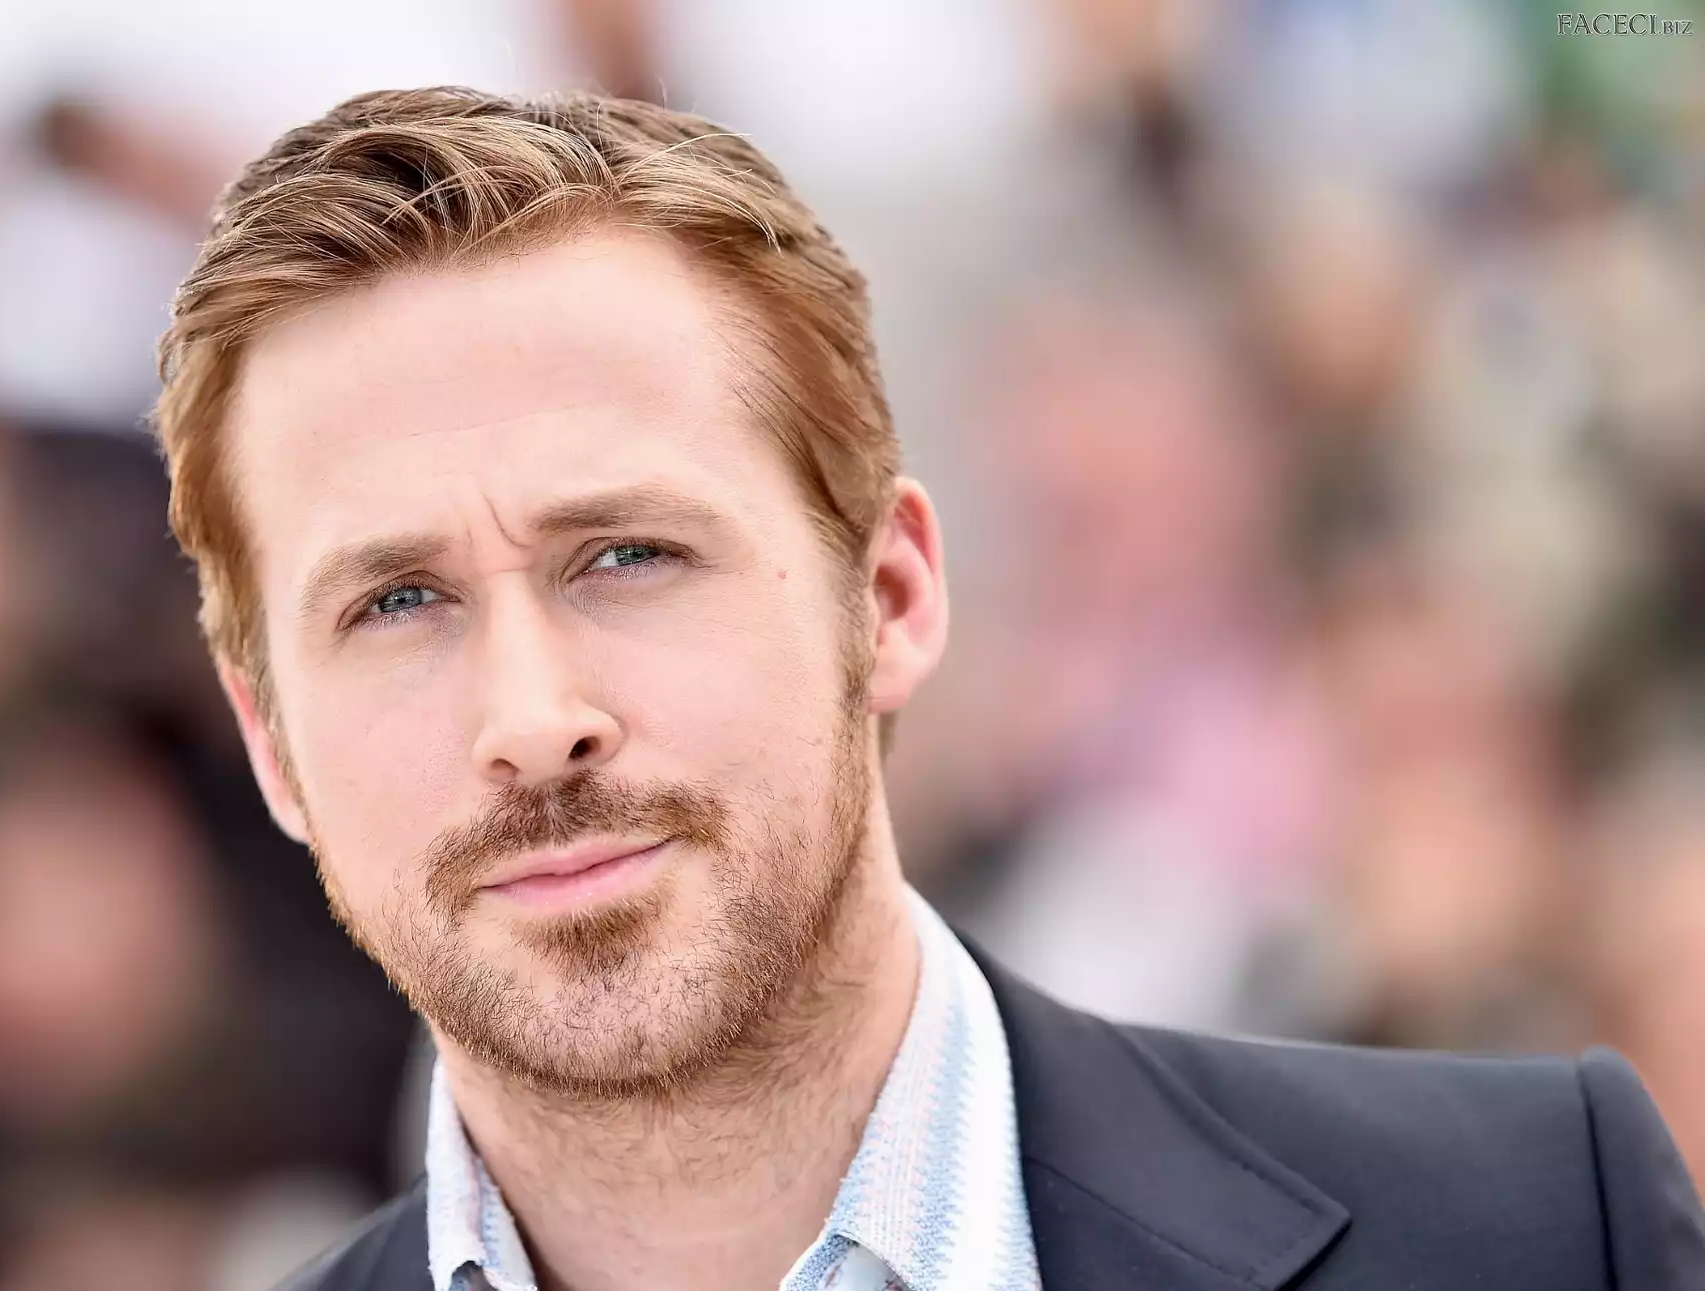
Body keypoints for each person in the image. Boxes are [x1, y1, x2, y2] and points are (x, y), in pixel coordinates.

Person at [149, 87, 1705, 1291]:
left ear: (888, 597)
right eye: (397, 602)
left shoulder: (1530, 1225)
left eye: (626, 554)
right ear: (270, 741)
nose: (533, 717)